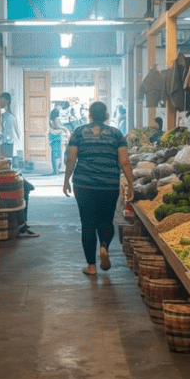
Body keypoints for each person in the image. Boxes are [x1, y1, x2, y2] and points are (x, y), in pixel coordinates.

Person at [63, 101, 135, 276]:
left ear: (90, 115)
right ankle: (103, 247)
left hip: (84, 183)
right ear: (107, 115)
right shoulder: (117, 134)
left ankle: (91, 267)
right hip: (109, 184)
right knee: (106, 221)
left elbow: (71, 159)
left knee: (88, 223)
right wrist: (131, 184)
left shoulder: (78, 133)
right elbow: (124, 161)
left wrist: (66, 180)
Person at [49, 108, 70, 174]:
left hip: (52, 136)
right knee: (58, 153)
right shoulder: (56, 119)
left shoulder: (51, 119)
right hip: (57, 136)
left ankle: (55, 170)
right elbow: (58, 126)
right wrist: (65, 128)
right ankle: (56, 171)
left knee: (54, 153)